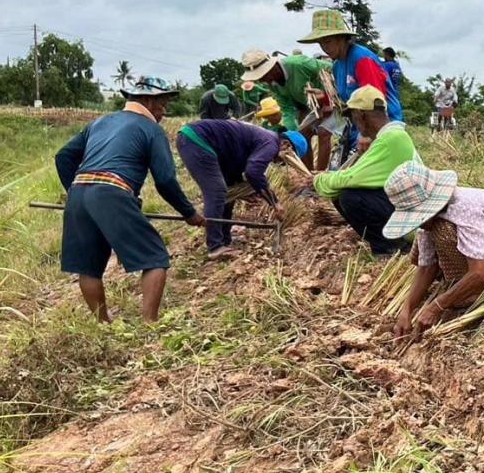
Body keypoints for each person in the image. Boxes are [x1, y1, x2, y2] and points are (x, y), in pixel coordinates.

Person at [54, 76, 204, 323]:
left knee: (88, 266)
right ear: (147, 100)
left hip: (79, 192)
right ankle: (149, 324)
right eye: (163, 104)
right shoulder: (151, 129)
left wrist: (75, 191)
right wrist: (189, 213)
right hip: (112, 192)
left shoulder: (100, 122)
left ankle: (103, 325)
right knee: (155, 257)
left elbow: (63, 157)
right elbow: (165, 180)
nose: (164, 111)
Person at [387, 160, 484, 338]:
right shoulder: (430, 219)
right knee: (421, 245)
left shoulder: (462, 208)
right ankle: (463, 286)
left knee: (443, 231)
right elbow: (426, 267)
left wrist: (438, 305)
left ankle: (472, 294)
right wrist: (407, 309)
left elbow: (480, 273)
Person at [292, 85, 418, 256]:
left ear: (361, 115)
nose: (355, 125)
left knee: (350, 197)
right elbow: (355, 174)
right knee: (342, 192)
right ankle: (391, 242)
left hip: (412, 220)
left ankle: (391, 247)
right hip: (406, 212)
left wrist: (318, 180)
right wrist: (327, 177)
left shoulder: (392, 139)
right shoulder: (390, 137)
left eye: (353, 117)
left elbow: (351, 178)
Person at [175, 119, 297, 260]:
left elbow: (239, 166)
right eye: (284, 160)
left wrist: (245, 191)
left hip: (201, 141)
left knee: (229, 191)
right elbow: (253, 171)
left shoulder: (264, 138)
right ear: (286, 145)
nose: (280, 163)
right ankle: (215, 246)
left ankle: (224, 240)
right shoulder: (272, 143)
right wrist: (274, 202)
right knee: (217, 191)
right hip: (197, 140)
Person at [297, 9, 403, 152]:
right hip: (358, 126)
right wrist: (323, 97)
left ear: (342, 38)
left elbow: (375, 102)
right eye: (321, 43)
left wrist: (366, 135)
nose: (325, 48)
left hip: (380, 128)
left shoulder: (362, 59)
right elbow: (343, 101)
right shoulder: (337, 65)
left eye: (328, 42)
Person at [241, 49, 332, 169]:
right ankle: (309, 174)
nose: (261, 81)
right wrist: (291, 134)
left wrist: (328, 96)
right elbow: (287, 109)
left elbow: (331, 68)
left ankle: (321, 174)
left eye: (262, 75)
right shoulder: (273, 84)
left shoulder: (299, 64)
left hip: (331, 101)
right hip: (308, 106)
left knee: (323, 132)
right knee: (301, 136)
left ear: (273, 67)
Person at [381, 47, 404, 116]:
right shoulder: (397, 65)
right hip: (396, 91)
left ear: (387, 54)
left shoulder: (387, 65)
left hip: (387, 91)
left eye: (384, 55)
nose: (384, 56)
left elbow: (382, 75)